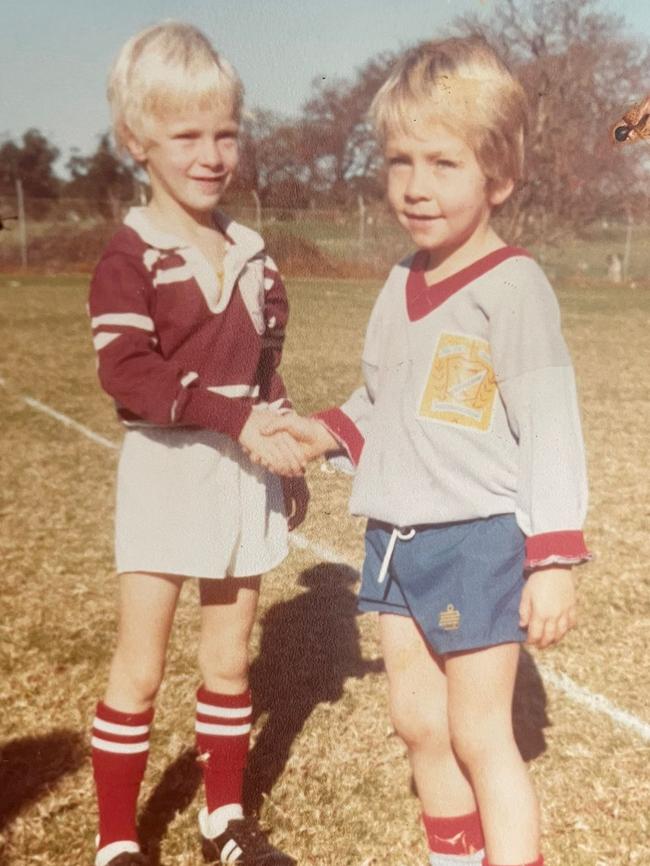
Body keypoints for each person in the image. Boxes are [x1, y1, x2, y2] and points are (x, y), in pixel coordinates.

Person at [262, 37, 590, 866]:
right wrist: (328, 430)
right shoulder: (399, 280)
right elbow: (391, 402)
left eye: (444, 163)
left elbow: (551, 425)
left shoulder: (513, 287)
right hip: (395, 538)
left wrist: (552, 558)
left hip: (476, 538)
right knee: (417, 724)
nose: (415, 185)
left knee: (481, 734)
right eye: (400, 161)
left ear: (498, 178)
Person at [87, 22, 307, 866]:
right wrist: (237, 417)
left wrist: (281, 444)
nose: (211, 153)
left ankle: (223, 822)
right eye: (186, 135)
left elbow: (263, 372)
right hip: (166, 475)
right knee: (140, 665)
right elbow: (127, 373)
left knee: (228, 657)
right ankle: (117, 840)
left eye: (225, 132)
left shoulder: (255, 253)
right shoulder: (130, 253)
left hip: (242, 473)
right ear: (136, 140)